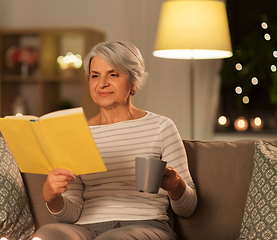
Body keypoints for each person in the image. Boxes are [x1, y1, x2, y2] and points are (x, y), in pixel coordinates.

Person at [34, 41, 197, 240]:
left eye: (113, 74)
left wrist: (175, 184)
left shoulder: (161, 127)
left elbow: (187, 209)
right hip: (85, 229)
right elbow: (72, 214)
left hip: (146, 226)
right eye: (95, 76)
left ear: (134, 82)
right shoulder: (76, 134)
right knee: (46, 235)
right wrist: (52, 197)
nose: (102, 83)